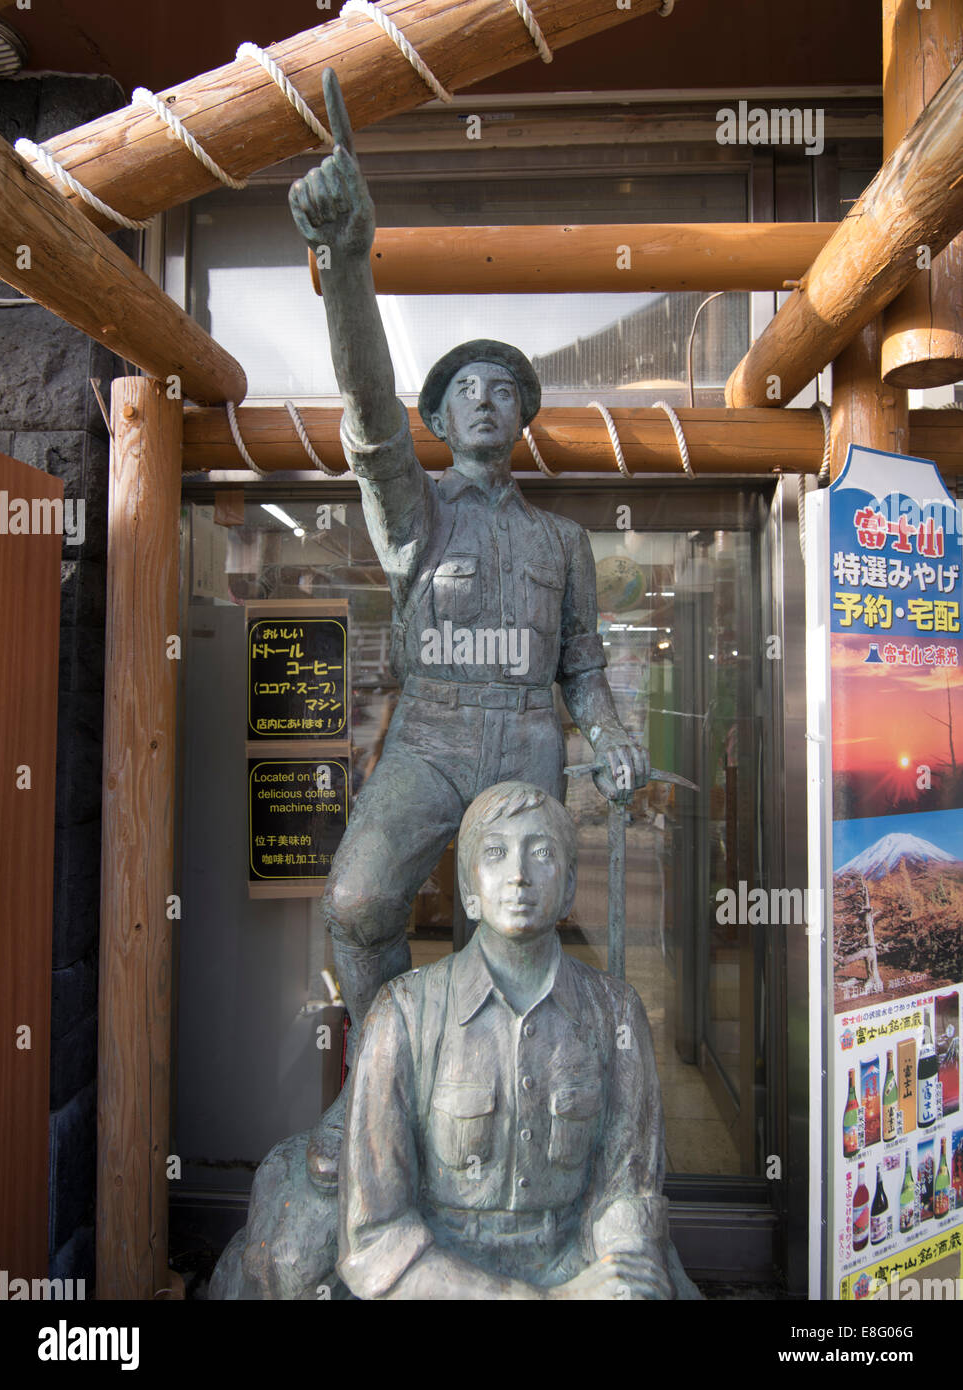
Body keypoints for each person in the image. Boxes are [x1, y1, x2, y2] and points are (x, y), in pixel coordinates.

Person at [289, 71, 649, 1186]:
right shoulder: (416, 513)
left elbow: (582, 665)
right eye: (465, 390)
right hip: (432, 737)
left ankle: (508, 1135)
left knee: (516, 939)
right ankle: (373, 1102)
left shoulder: (563, 545)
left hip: (524, 746)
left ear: (521, 421)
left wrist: (612, 733)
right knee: (357, 901)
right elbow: (362, 411)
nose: (486, 398)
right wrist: (348, 266)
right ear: (440, 423)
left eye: (505, 387)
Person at [337, 781, 675, 1300]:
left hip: (579, 1267)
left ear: (568, 887)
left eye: (541, 854)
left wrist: (621, 1273)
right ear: (468, 889)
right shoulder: (403, 1014)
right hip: (445, 1282)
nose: (518, 875)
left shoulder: (616, 1013)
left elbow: (627, 1189)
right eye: (495, 853)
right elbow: (375, 1237)